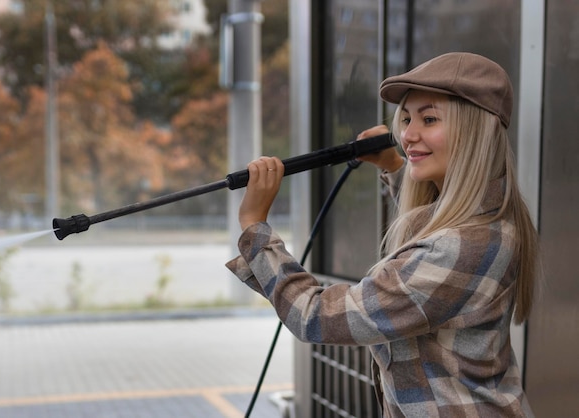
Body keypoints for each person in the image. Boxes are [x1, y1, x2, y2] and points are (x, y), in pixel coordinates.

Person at [226, 52, 539, 417]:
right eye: (406, 118)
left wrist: (255, 227)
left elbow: (315, 316)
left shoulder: (460, 247)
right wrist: (395, 167)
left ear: (475, 131)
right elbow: (434, 224)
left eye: (429, 118)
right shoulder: (494, 220)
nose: (408, 134)